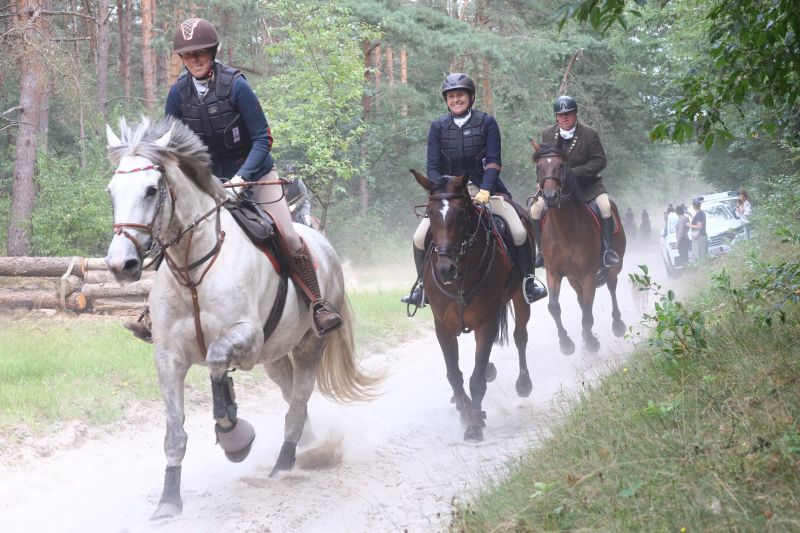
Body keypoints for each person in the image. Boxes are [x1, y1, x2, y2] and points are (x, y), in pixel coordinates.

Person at [125, 18, 342, 342]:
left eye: (200, 52)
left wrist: (241, 179)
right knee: (170, 236)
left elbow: (263, 138)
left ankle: (317, 303)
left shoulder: (236, 86)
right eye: (188, 55)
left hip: (255, 176)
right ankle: (153, 312)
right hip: (206, 184)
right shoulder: (178, 94)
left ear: (212, 52)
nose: (195, 59)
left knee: (287, 234)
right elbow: (170, 147)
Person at [401, 72, 547, 306]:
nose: (456, 100)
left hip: (485, 189)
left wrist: (486, 190)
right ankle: (422, 288)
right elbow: (433, 167)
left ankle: (529, 281)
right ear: (446, 100)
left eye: (460, 95)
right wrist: (441, 190)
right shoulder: (437, 126)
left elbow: (493, 162)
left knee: (519, 231)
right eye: (451, 96)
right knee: (419, 237)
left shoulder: (487, 123)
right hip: (449, 194)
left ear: (470, 97)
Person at [530, 96, 620, 268]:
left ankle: (607, 251)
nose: (564, 118)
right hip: (556, 186)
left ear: (575, 114)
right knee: (535, 209)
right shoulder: (547, 133)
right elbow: (543, 162)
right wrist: (541, 182)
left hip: (587, 186)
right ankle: (541, 251)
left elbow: (600, 161)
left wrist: (574, 173)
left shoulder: (589, 134)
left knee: (605, 206)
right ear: (556, 117)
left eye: (568, 114)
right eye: (560, 114)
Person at [690, 197, 708, 262]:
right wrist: (690, 215)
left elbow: (699, 226)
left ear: (694, 206)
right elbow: (697, 221)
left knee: (700, 256)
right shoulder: (700, 213)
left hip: (700, 237)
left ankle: (702, 267)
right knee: (701, 255)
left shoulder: (699, 214)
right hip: (701, 236)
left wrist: (690, 225)